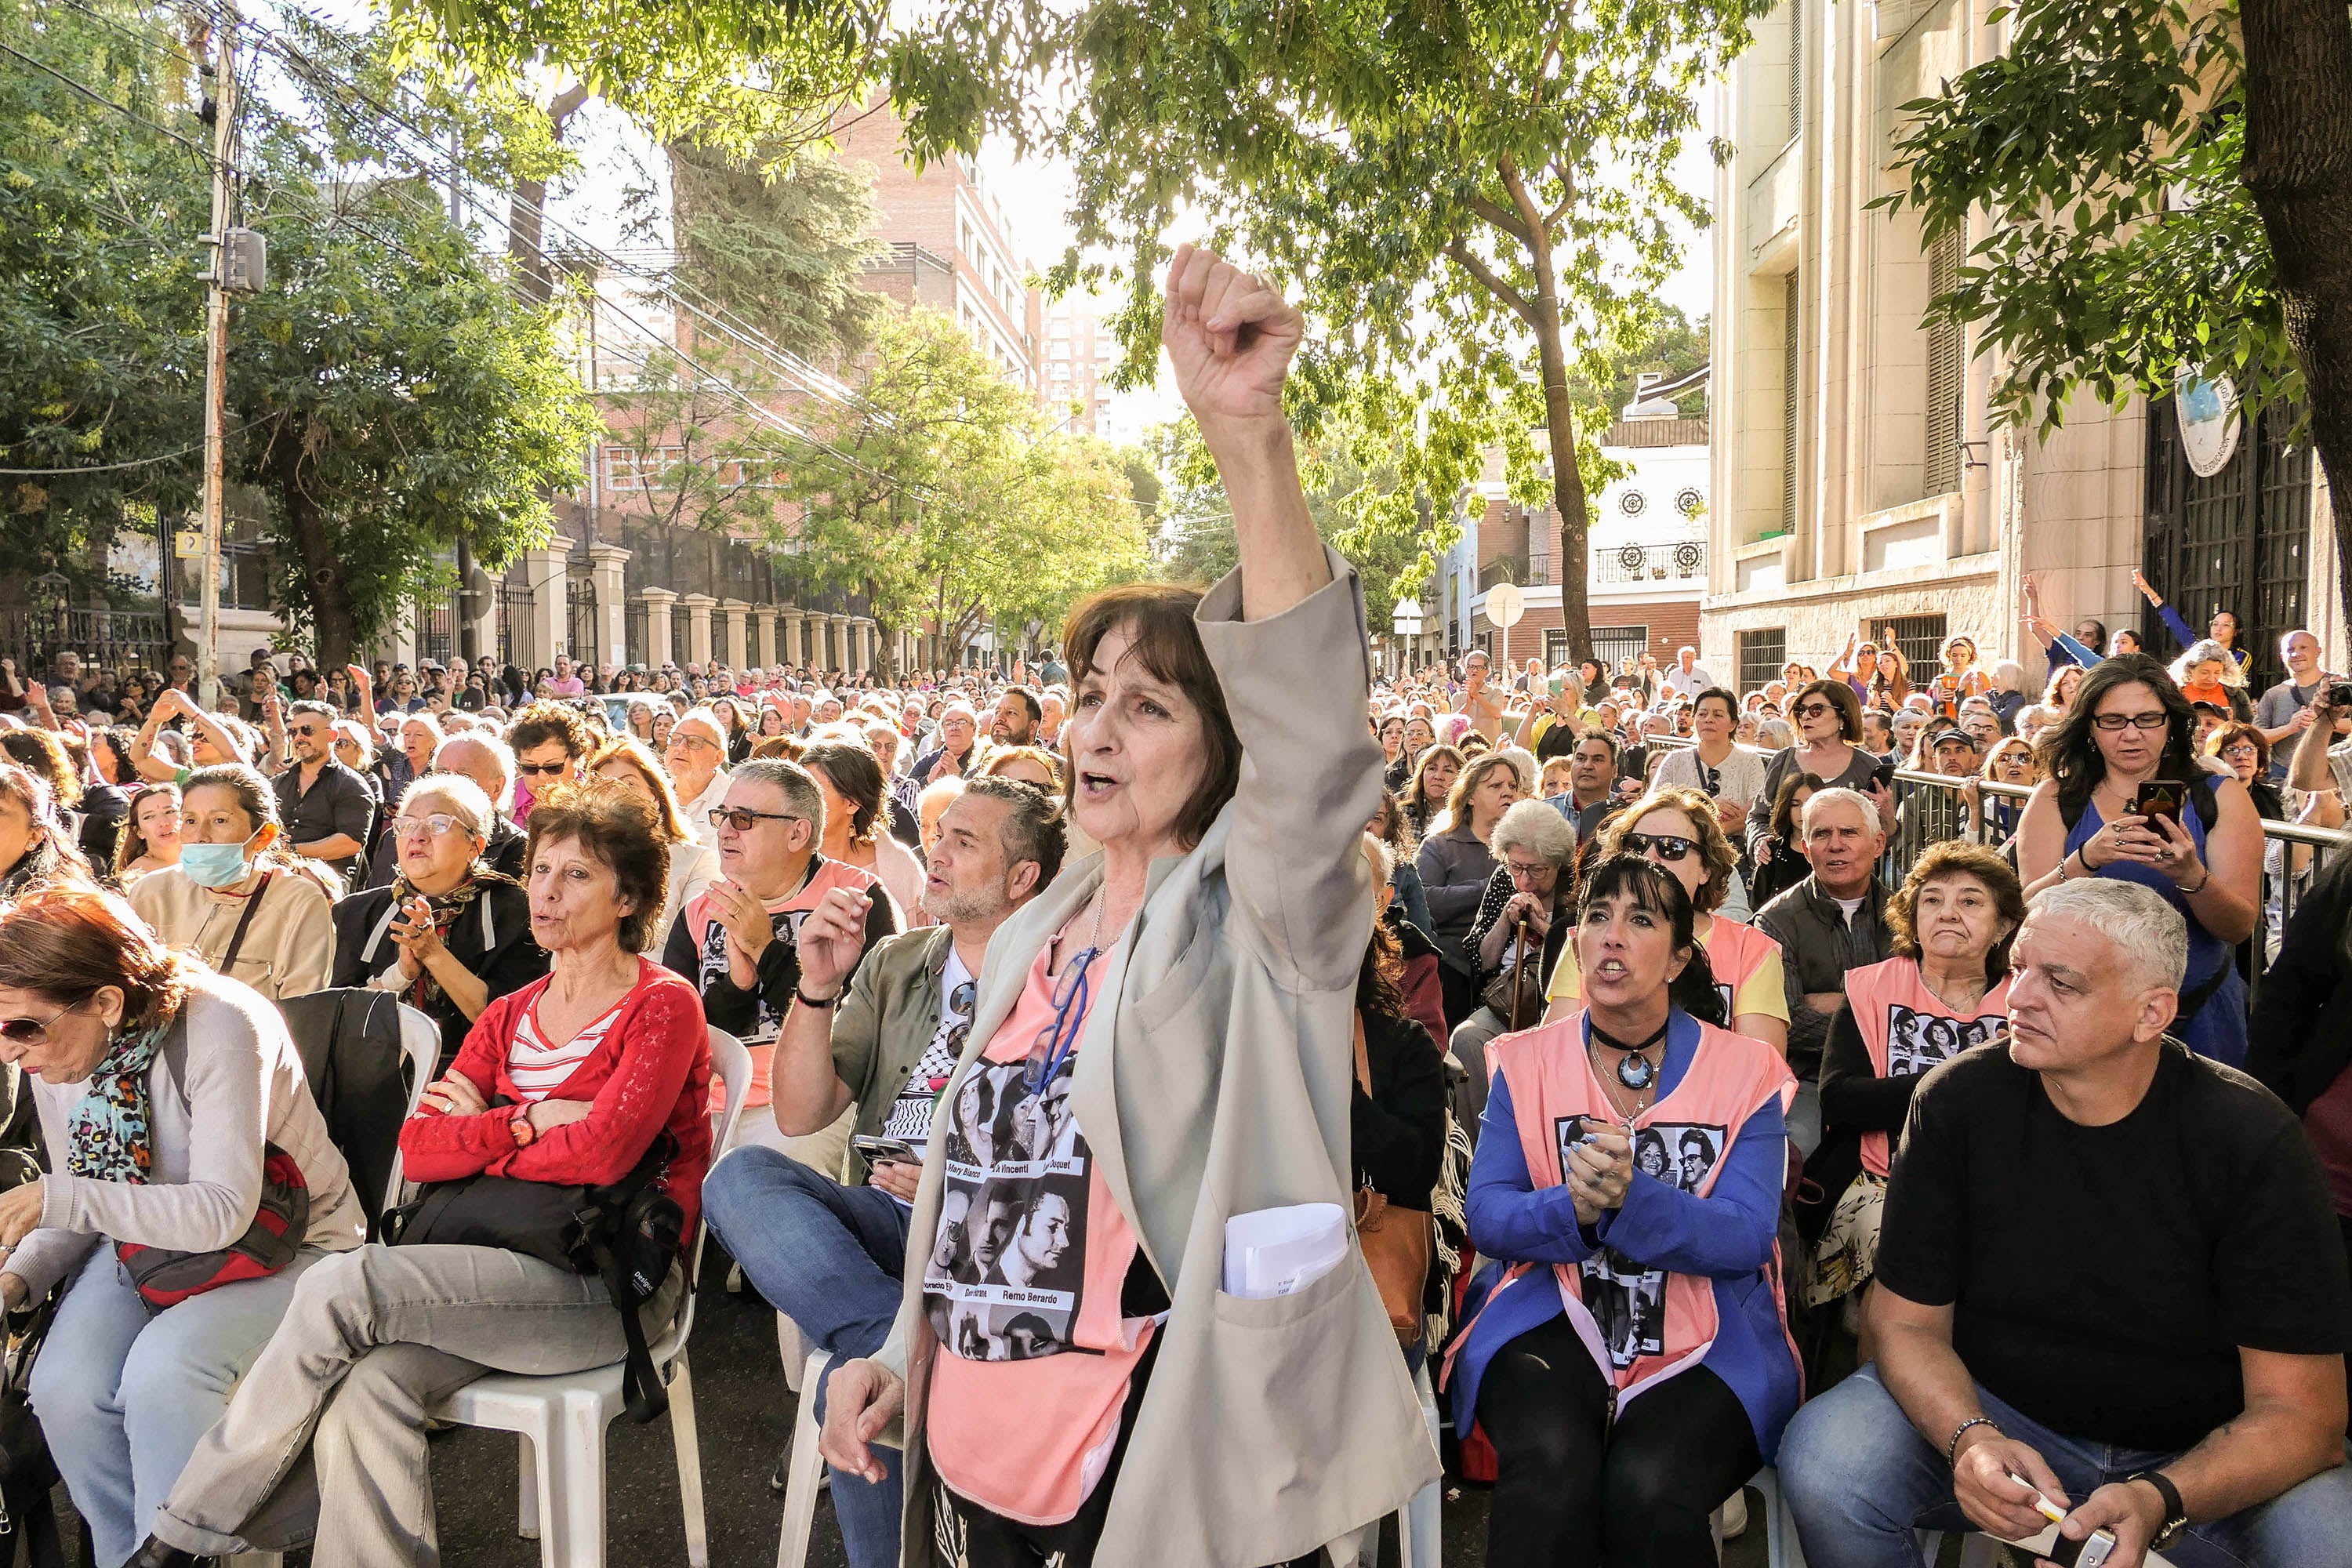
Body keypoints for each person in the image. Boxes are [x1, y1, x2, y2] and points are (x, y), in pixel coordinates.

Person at [818, 246, 1432, 1566]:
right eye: (1090, 694)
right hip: (975, 1441)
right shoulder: (1039, 926)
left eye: (1147, 703)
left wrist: (1247, 437)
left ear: (1224, 748)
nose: (1097, 727)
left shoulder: (1263, 919)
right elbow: (976, 1187)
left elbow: (1318, 750)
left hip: (1150, 1450)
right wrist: (895, 1351)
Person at [134, 781, 713, 1567]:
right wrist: (529, 1119)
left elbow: (607, 1152)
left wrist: (480, 1130)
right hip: (494, 1267)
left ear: (629, 898)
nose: (546, 889)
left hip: (609, 1280)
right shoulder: (512, 1012)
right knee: (365, 1392)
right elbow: (421, 1148)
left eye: (577, 875)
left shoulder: (662, 1003)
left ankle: (184, 1534)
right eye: (541, 868)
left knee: (345, 1285)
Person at [1778, 879, 2352, 1568]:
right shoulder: (1958, 1101)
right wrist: (1972, 1438)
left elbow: (2304, 1418)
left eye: (2062, 982)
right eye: (2018, 967)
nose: (2017, 996)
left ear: (2152, 1014)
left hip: (2201, 1452)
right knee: (1829, 1458)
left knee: (2331, 1539)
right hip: (2001, 1414)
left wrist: (2163, 1495)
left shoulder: (2250, 1138)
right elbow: (1901, 1323)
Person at [701, 778, 1065, 1568]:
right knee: (739, 1178)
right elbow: (799, 1112)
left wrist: (946, 1170)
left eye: (966, 841)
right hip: (887, 1216)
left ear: (1023, 877)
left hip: (983, 1233)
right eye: (940, 834)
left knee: (845, 1376)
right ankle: (892, 1339)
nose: (937, 850)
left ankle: (885, 1356)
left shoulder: (1063, 978)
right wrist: (818, 983)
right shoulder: (897, 960)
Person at [0, 887, 364, 1568]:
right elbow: (80, 1203)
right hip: (151, 1249)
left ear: (107, 1003)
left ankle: (185, 1553)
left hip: (290, 1246)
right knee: (63, 1388)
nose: (12, 1053)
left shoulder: (221, 1021)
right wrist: (16, 1276)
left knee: (163, 1375)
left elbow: (222, 1208)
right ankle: (125, 1553)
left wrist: (56, 1198)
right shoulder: (57, 1054)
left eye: (23, 1028)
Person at [1455, 855, 1797, 1568]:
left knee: (1646, 1487)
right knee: (1550, 1472)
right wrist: (1574, 1210)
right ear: (1575, 946)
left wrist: (1632, 1201)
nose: (1612, 936)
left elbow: (1745, 1235)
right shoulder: (1522, 1060)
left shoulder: (1748, 1071)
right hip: (1551, 1313)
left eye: (1640, 920)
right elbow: (1487, 1216)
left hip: (1712, 1328)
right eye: (1597, 917)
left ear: (1678, 958)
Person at [1806, 842, 2023, 1328]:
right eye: (1932, 900)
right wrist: (1966, 1083)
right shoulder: (1873, 986)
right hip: (1883, 1180)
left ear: (2004, 925)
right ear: (1913, 916)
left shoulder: (2022, 999)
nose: (1948, 912)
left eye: (1970, 901)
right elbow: (1841, 1100)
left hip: (1998, 1183)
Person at [2016, 654, 2260, 1067]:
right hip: (2080, 1017)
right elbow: (2029, 908)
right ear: (2090, 727)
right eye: (2113, 720)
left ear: (2170, 723)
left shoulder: (2218, 796)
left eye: (2147, 719)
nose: (2131, 735)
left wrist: (2192, 876)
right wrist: (2086, 859)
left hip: (2198, 1015)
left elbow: (2238, 926)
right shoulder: (2057, 799)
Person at [659, 757, 896, 1170]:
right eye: (722, 816)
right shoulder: (700, 911)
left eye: (744, 818)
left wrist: (767, 950)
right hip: (710, 1106)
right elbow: (686, 1036)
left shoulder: (855, 898)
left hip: (813, 1109)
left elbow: (856, 1026)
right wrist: (739, 985)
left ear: (797, 832)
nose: (726, 830)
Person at [330, 775, 547, 1072]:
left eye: (438, 824)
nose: (417, 836)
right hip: (371, 1077)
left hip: (475, 1076)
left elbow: (510, 1023)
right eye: (406, 825)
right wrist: (400, 975)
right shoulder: (357, 912)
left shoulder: (516, 910)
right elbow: (337, 1019)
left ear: (476, 845)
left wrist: (433, 953)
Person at [1548, 786, 1791, 1049]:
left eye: (1672, 848)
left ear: (1706, 869)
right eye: (1637, 845)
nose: (1650, 859)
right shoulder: (1586, 939)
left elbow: (1761, 1070)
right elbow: (1554, 1054)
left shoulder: (1751, 950)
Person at [1755, 787, 1893, 1160]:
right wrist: (1874, 1014)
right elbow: (1787, 1022)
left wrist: (1841, 1005)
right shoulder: (1775, 920)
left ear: (1878, 843)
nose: (1835, 846)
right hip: (1808, 1080)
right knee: (1791, 1156)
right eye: (1821, 834)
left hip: (1892, 1076)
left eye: (1849, 833)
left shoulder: (1906, 916)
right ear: (1805, 846)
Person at [129, 764, 336, 1002]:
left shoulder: (298, 902)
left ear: (263, 836)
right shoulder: (151, 892)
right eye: (190, 821)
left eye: (219, 820)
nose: (200, 836)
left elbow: (301, 1011)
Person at [1448, 798, 1581, 1114]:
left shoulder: (1575, 887)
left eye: (1537, 869)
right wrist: (1504, 921)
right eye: (1516, 867)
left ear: (1557, 862)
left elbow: (1582, 952)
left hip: (1558, 1002)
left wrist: (1543, 926)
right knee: (1467, 1039)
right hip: (1504, 1000)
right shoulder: (1502, 880)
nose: (1524, 879)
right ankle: (1478, 1143)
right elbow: (1483, 959)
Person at [1419, 753, 1527, 1027]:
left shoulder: (1525, 850)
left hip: (1512, 964)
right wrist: (1491, 885)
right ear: (1469, 797)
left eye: (1512, 786)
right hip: (1453, 963)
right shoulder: (1440, 846)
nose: (1507, 793)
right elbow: (1426, 900)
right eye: (1495, 786)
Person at [588, 736, 719, 955]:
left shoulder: (696, 861)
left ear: (655, 796)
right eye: (605, 787)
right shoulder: (580, 859)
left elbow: (693, 948)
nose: (618, 794)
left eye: (629, 783)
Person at [1749, 681, 1893, 869]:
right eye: (1801, 710)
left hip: (1845, 875)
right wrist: (1760, 841)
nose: (1806, 717)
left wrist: (1887, 815)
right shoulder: (1784, 760)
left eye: (1817, 710)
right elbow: (1758, 817)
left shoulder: (1867, 766)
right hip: (1785, 872)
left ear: (1843, 717)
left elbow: (1885, 837)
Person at [803, 741, 924, 929]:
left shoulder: (897, 865)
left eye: (814, 792)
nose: (799, 801)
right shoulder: (783, 860)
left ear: (852, 803)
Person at [270, 699, 376, 885]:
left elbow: (350, 843)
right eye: (293, 732)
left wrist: (291, 850)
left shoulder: (351, 784)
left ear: (332, 735)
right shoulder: (278, 783)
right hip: (277, 870)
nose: (298, 738)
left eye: (307, 730)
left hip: (328, 878)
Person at [1650, 687, 1766, 844]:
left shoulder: (1750, 761)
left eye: (1718, 715)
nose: (1709, 720)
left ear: (1732, 724)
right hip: (1680, 847)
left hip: (1732, 852)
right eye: (1702, 714)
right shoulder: (1675, 760)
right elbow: (1655, 805)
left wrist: (1709, 835)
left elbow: (1754, 813)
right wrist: (1707, 806)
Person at [2134, 568, 2252, 671]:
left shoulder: (2242, 656)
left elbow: (2232, 681)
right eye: (2215, 624)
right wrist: (2148, 591)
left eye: (2226, 625)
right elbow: (2175, 624)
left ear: (2236, 631)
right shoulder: (2199, 649)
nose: (2218, 628)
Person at [663, 707, 733, 848]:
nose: (681, 748)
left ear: (718, 757)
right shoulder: (651, 794)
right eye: (675, 740)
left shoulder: (734, 800)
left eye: (694, 742)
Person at [1548, 730, 1621, 844]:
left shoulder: (1626, 813)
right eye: (1581, 759)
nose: (1587, 766)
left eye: (1597, 760)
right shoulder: (1546, 811)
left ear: (1614, 770)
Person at [112, 780, 183, 887]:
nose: (163, 823)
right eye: (149, 817)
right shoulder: (139, 875)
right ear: (139, 832)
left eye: (170, 811)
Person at [2172, 637, 2255, 723]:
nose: (2211, 678)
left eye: (2217, 673)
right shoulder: (2175, 694)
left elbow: (2250, 728)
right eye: (2204, 673)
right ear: (2190, 669)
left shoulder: (2237, 695)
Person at [1400, 742, 1463, 838]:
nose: (1438, 777)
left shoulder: (1471, 817)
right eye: (1432, 769)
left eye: (1447, 771)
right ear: (1421, 774)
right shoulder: (1403, 814)